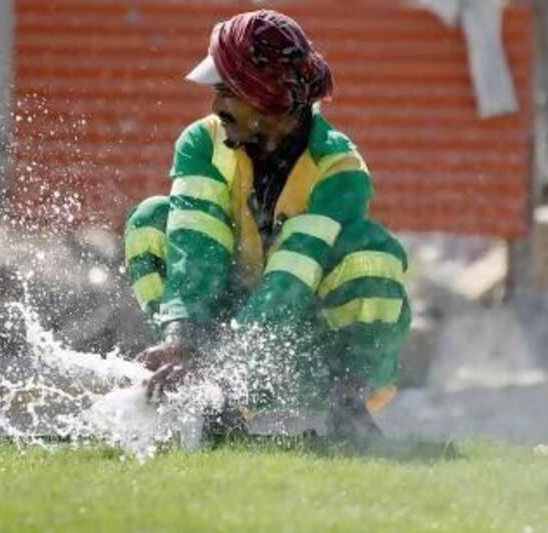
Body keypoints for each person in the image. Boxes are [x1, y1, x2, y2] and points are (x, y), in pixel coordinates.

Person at [124, 9, 411, 440]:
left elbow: (293, 277)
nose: (215, 106)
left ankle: (346, 406)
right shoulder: (201, 143)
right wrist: (183, 338)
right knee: (150, 222)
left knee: (371, 253)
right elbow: (192, 244)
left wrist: (230, 371)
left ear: (267, 97)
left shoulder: (339, 170)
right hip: (216, 334)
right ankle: (200, 393)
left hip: (299, 348)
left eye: (227, 92)